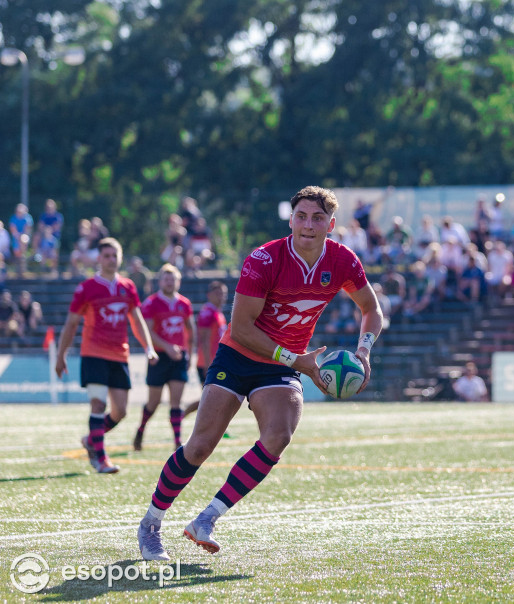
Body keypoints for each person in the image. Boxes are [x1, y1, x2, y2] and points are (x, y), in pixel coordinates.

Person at [136, 185, 383, 561]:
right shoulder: (264, 259)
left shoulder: (343, 261)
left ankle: (207, 519)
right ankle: (151, 523)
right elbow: (242, 328)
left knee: (278, 436)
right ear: (291, 219)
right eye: (301, 216)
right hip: (239, 356)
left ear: (331, 225)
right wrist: (296, 360)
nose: (308, 225)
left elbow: (371, 308)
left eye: (318, 218)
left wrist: (363, 351)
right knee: (201, 446)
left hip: (282, 365)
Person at [55, 238, 159, 474]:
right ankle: (100, 459)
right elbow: (71, 324)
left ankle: (91, 439)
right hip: (93, 353)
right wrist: (61, 355)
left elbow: (137, 319)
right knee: (98, 403)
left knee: (120, 411)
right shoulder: (87, 288)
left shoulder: (128, 286)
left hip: (119, 355)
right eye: (107, 256)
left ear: (120, 258)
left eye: (115, 255)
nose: (111, 260)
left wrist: (148, 347)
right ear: (99, 259)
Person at [133, 264, 196, 451]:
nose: (169, 282)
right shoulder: (151, 303)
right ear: (160, 282)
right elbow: (148, 332)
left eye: (172, 279)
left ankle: (177, 442)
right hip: (158, 358)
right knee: (154, 402)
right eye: (166, 279)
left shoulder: (184, 303)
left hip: (178, 357)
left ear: (178, 281)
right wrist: (167, 347)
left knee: (176, 401)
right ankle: (141, 429)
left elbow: (190, 331)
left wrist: (190, 354)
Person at [182, 281, 229, 420]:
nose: (221, 297)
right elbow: (204, 340)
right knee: (209, 399)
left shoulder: (217, 313)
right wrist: (208, 364)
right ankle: (181, 416)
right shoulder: (208, 313)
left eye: (223, 293)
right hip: (208, 363)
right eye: (217, 293)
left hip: (217, 362)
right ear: (209, 295)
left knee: (216, 398)